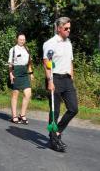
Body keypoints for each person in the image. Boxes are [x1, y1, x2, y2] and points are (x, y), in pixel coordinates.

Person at [43, 17, 78, 152]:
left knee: (73, 109)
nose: (68, 30)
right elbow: (46, 63)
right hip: (55, 78)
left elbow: (70, 61)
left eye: (69, 28)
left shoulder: (68, 43)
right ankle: (53, 139)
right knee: (55, 111)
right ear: (59, 28)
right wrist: (50, 81)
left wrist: (72, 76)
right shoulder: (50, 43)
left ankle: (57, 132)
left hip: (67, 79)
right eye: (66, 28)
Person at [8, 32, 34, 124]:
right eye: (20, 39)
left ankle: (22, 115)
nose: (22, 41)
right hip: (16, 71)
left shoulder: (27, 49)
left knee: (28, 94)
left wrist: (31, 73)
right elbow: (10, 64)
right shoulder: (13, 49)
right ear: (17, 39)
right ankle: (14, 116)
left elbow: (29, 63)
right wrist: (11, 74)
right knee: (15, 94)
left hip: (24, 72)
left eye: (23, 39)